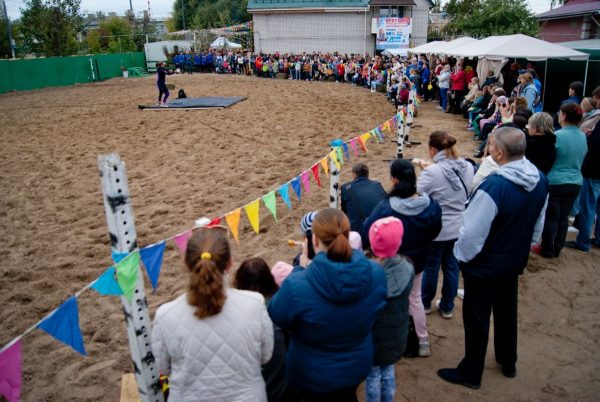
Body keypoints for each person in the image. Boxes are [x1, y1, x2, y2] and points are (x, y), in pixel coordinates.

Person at [438, 126, 549, 389]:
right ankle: (508, 360)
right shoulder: (541, 178)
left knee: (477, 316)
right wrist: (525, 245)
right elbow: (538, 224)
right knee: (507, 310)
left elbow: (472, 233)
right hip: (514, 259)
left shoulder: (494, 186)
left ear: (498, 152)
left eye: (490, 144)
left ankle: (471, 371)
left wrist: (462, 258)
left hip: (485, 263)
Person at [268, 208, 387, 402]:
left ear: (314, 241)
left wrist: (302, 267)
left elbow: (276, 313)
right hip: (356, 366)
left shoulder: (297, 284)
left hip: (311, 375)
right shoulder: (376, 274)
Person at [152, 227, 274, 401]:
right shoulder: (254, 303)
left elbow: (163, 367)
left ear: (186, 264)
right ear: (230, 263)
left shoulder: (165, 315)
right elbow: (266, 355)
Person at [363, 159, 442, 357]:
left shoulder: (386, 207)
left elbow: (369, 230)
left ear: (394, 179)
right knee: (414, 298)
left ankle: (381, 340)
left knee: (386, 300)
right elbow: (436, 229)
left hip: (391, 261)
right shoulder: (430, 205)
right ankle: (423, 340)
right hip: (418, 259)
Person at [416, 131, 474, 319]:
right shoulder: (467, 166)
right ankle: (447, 306)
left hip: (437, 227)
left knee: (431, 266)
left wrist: (424, 171)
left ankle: (425, 302)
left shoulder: (433, 171)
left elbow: (417, 194)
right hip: (459, 224)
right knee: (451, 266)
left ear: (433, 149)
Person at [365, 217, 414, 402]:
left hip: (373, 337)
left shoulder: (366, 273)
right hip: (397, 335)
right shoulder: (407, 267)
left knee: (373, 375)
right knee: (388, 371)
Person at [235, 258, 296, 402]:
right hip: (284, 387)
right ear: (269, 279)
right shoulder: (282, 305)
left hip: (264, 389)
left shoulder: (236, 316)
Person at [534, 102, 587, 258]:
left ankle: (547, 248)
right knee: (563, 217)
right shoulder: (583, 136)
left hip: (556, 181)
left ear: (563, 116)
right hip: (575, 181)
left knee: (552, 216)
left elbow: (549, 158)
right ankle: (558, 246)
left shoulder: (556, 136)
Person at [566, 87, 600, 252]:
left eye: (598, 100)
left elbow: (594, 145)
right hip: (595, 170)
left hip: (594, 169)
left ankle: (583, 242)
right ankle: (598, 238)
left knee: (587, 206)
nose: (597, 104)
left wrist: (588, 136)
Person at [341, 163, 387, 233]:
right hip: (378, 228)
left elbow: (344, 210)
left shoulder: (346, 188)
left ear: (354, 174)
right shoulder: (377, 185)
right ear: (367, 174)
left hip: (358, 231)